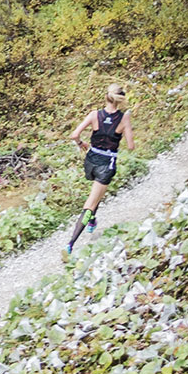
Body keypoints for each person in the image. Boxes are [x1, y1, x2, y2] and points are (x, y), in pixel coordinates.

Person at [66, 85, 133, 254]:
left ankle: (92, 220)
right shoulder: (124, 118)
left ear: (106, 97)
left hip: (90, 161)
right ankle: (71, 243)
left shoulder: (94, 114)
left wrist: (81, 144)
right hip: (106, 164)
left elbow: (74, 135)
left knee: (96, 195)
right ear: (120, 100)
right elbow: (131, 146)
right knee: (90, 203)